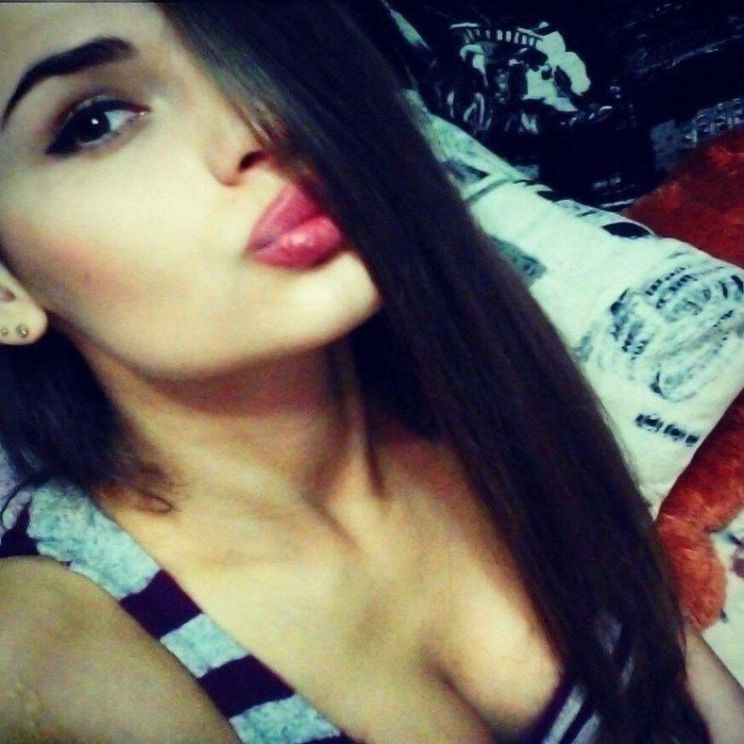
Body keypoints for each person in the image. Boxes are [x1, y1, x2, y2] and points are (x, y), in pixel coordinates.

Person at [0, 2, 741, 742]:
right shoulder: (49, 661)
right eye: (94, 122)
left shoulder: (481, 389)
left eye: (261, 55)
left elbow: (701, 696)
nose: (262, 120)